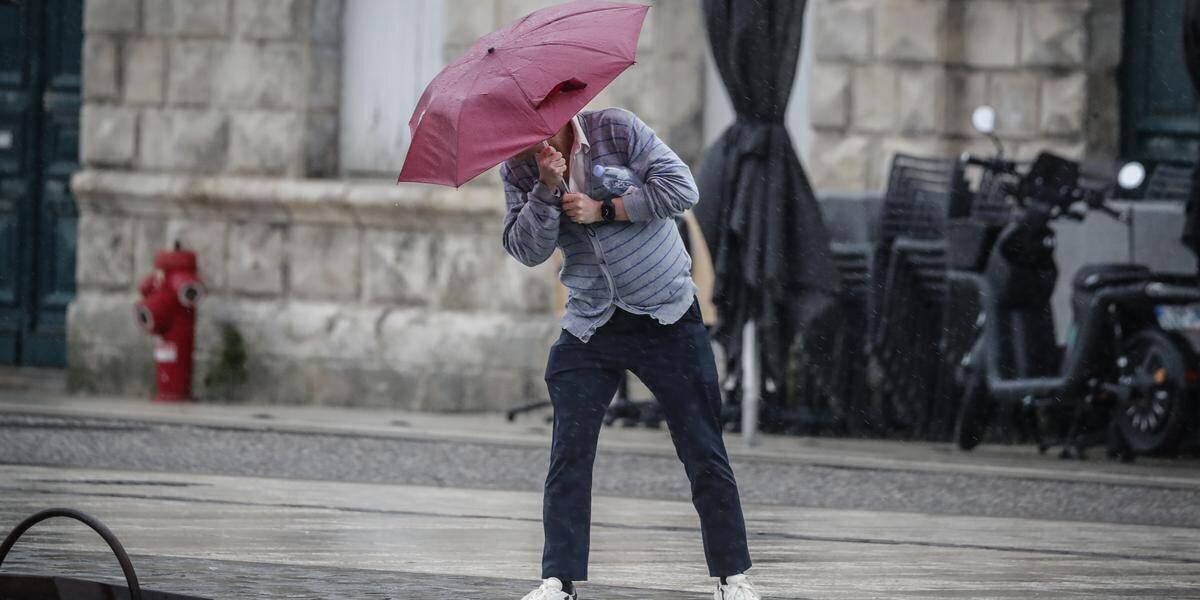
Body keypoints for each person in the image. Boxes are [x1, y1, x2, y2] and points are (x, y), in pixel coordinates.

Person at [500, 108, 759, 600]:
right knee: (569, 452)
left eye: (528, 127)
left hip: (666, 314)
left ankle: (732, 577)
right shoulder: (517, 168)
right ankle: (558, 579)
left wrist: (606, 208)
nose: (520, 140)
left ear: (554, 114)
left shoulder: (614, 129)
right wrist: (545, 191)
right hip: (591, 321)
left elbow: (683, 191)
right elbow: (525, 248)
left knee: (702, 447)